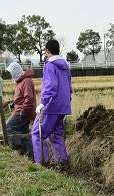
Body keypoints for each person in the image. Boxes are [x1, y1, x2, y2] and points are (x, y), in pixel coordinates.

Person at [32, 39, 72, 167]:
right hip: (63, 106)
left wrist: (42, 103)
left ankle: (41, 163)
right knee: (56, 134)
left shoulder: (49, 65)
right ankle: (62, 163)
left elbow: (51, 86)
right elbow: (69, 87)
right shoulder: (65, 65)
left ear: (47, 50)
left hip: (51, 106)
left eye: (45, 50)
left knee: (37, 133)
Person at [5, 61, 36, 136]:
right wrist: (14, 103)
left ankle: (18, 145)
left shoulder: (26, 81)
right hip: (21, 112)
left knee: (7, 128)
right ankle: (24, 145)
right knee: (22, 132)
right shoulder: (21, 81)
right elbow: (22, 97)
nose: (10, 76)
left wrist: (23, 110)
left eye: (11, 73)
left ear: (14, 72)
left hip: (22, 113)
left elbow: (29, 98)